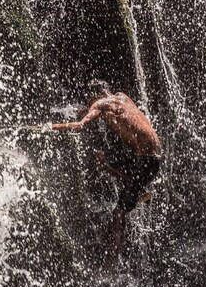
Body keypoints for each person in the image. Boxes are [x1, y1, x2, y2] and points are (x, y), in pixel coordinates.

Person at [51, 80, 162, 273]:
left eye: (90, 100)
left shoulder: (101, 104)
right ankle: (139, 190)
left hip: (143, 162)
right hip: (153, 159)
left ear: (95, 96)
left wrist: (51, 127)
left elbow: (79, 125)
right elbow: (128, 120)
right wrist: (89, 109)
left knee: (118, 212)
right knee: (109, 154)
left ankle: (109, 267)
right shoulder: (122, 97)